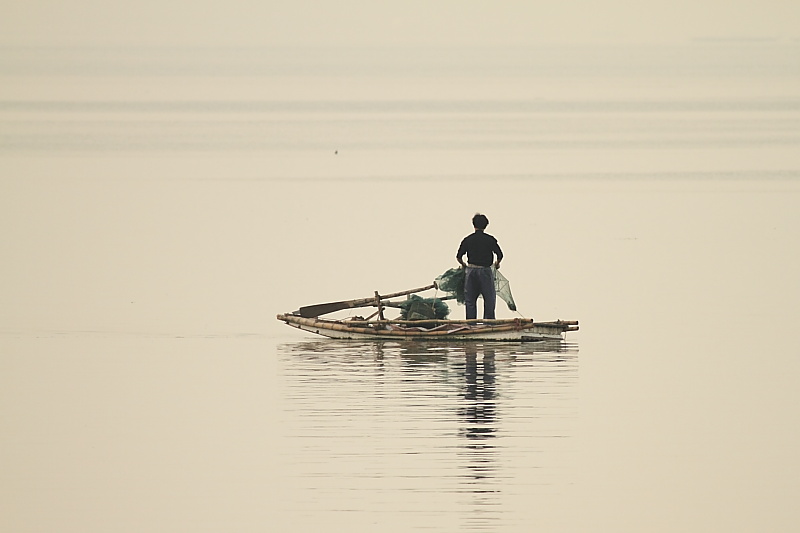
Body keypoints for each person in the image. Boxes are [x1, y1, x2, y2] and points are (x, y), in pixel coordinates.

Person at [456, 214, 503, 320]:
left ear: (474, 225)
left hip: (471, 271)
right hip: (485, 271)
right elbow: (500, 255)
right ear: (486, 225)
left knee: (470, 300)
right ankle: (489, 323)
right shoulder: (490, 239)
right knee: (489, 299)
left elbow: (459, 256)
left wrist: (464, 266)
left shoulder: (467, 239)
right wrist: (497, 264)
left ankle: (471, 324)